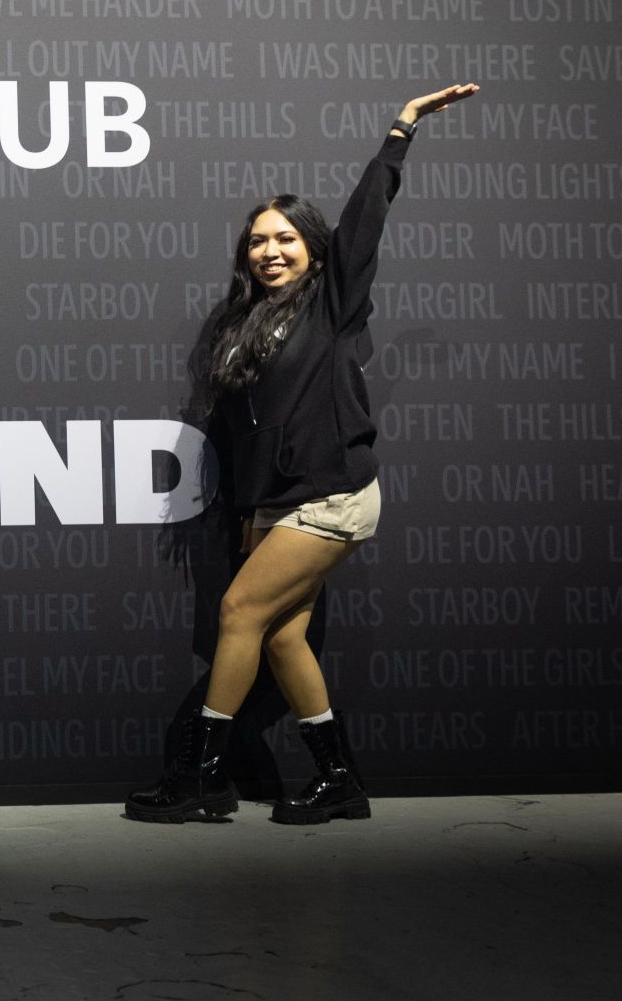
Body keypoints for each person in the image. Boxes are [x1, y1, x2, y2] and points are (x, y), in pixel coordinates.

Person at [126, 84, 480, 826]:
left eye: (285, 238)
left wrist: (401, 130)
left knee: (236, 613)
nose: (270, 251)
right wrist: (250, 514)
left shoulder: (332, 302)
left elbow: (364, 224)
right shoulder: (243, 325)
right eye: (258, 240)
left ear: (315, 250)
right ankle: (340, 780)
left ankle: (203, 778)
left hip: (332, 491)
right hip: (277, 502)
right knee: (284, 636)